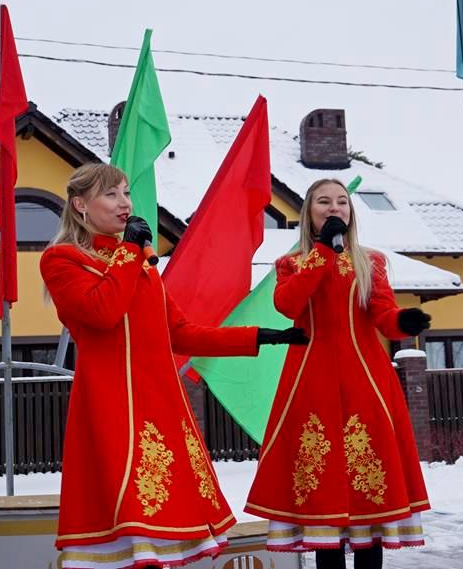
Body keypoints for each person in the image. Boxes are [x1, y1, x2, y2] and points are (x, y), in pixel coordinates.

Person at [39, 164, 307, 569]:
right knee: (131, 524)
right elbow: (103, 311)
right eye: (111, 194)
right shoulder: (63, 260)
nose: (125, 203)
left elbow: (181, 334)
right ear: (80, 205)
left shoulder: (139, 264)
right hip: (112, 404)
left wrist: (258, 336)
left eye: (126, 193)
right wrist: (131, 253)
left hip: (159, 403)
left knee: (162, 528)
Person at [245, 178, 433, 569]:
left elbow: (383, 314)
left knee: (369, 498)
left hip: (365, 382)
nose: (334, 208)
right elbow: (288, 304)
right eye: (324, 202)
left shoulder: (371, 261)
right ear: (308, 213)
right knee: (323, 501)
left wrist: (403, 321)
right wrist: (322, 252)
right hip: (312, 384)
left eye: (342, 202)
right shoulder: (291, 263)